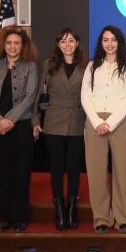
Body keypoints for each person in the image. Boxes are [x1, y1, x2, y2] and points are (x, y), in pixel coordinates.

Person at [81, 25, 126, 234]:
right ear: (101, 43)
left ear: (119, 42)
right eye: (106, 39)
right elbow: (85, 96)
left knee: (122, 172)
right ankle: (102, 218)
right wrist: (97, 123)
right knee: (96, 173)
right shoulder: (91, 66)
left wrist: (110, 123)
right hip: (94, 122)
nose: (110, 43)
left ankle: (123, 217)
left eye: (114, 39)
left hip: (119, 122)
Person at [32, 28, 87, 231]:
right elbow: (38, 96)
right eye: (63, 41)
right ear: (58, 44)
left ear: (77, 43)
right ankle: (60, 210)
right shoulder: (49, 65)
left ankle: (72, 208)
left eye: (71, 40)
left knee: (73, 169)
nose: (67, 45)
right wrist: (35, 120)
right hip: (53, 122)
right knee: (56, 168)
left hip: (78, 122)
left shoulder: (86, 66)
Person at [0, 26, 38, 232]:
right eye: (9, 43)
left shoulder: (30, 66)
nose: (12, 47)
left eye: (17, 43)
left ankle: (19, 218)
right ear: (4, 45)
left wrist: (8, 121)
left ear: (22, 46)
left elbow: (30, 98)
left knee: (21, 173)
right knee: (2, 174)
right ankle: (5, 218)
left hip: (21, 127)